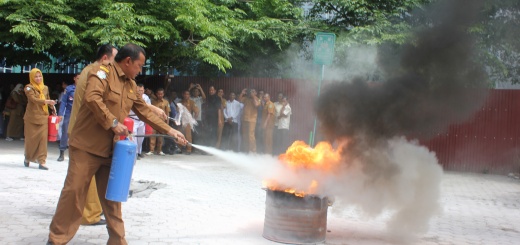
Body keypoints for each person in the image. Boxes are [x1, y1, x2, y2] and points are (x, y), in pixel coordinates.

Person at [47, 43, 187, 245]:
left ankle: (118, 241)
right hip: (86, 146)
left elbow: (145, 111)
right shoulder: (101, 72)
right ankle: (56, 239)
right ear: (128, 61)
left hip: (110, 150)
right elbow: (92, 98)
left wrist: (170, 131)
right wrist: (113, 123)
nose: (140, 70)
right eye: (139, 66)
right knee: (74, 193)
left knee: (113, 198)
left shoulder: (130, 85)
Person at [68, 44, 118, 227]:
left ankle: (86, 212)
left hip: (80, 130)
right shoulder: (98, 73)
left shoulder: (89, 70)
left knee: (80, 179)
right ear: (105, 59)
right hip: (86, 134)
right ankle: (88, 215)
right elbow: (98, 102)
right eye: (114, 61)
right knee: (84, 179)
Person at [23, 68, 56, 170]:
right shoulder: (28, 88)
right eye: (36, 76)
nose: (38, 78)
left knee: (43, 140)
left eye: (40, 76)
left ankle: (42, 161)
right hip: (31, 118)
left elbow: (48, 99)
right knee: (30, 140)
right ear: (32, 78)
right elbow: (33, 99)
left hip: (43, 117)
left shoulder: (45, 88)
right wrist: (47, 102)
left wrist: (53, 108)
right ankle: (28, 158)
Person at [57, 74, 79, 161]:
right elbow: (63, 102)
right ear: (74, 78)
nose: (79, 80)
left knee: (79, 134)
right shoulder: (69, 89)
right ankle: (62, 152)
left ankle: (76, 154)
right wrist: (61, 114)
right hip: (69, 112)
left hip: (80, 113)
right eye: (78, 78)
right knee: (65, 131)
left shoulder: (86, 87)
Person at [146, 88, 170, 156]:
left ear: (163, 94)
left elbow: (167, 113)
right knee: (152, 136)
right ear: (156, 94)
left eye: (161, 94)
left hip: (162, 122)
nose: (160, 95)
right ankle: (151, 150)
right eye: (159, 94)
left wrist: (167, 123)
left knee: (160, 137)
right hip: (153, 121)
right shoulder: (152, 102)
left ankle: (159, 150)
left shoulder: (166, 102)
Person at [130, 84, 151, 159]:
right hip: (133, 119)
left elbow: (149, 108)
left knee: (141, 137)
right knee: (134, 137)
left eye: (142, 90)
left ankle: (139, 152)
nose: (141, 92)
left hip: (142, 120)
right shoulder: (132, 96)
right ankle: (135, 154)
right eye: (139, 90)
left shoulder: (146, 97)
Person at [239, 88, 260, 153]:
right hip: (245, 119)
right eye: (251, 92)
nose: (251, 93)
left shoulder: (257, 99)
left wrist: (253, 96)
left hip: (252, 119)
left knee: (251, 136)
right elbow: (239, 100)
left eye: (253, 92)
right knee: (245, 135)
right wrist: (242, 93)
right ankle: (246, 150)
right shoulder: (246, 98)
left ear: (255, 93)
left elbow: (256, 104)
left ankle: (253, 151)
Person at [180, 90, 199, 155]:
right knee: (179, 134)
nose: (186, 95)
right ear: (183, 95)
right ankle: (179, 148)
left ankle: (189, 149)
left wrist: (193, 120)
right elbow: (177, 112)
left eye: (187, 94)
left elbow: (197, 111)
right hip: (181, 121)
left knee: (188, 136)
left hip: (188, 121)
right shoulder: (180, 102)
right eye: (185, 94)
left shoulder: (191, 102)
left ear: (189, 95)